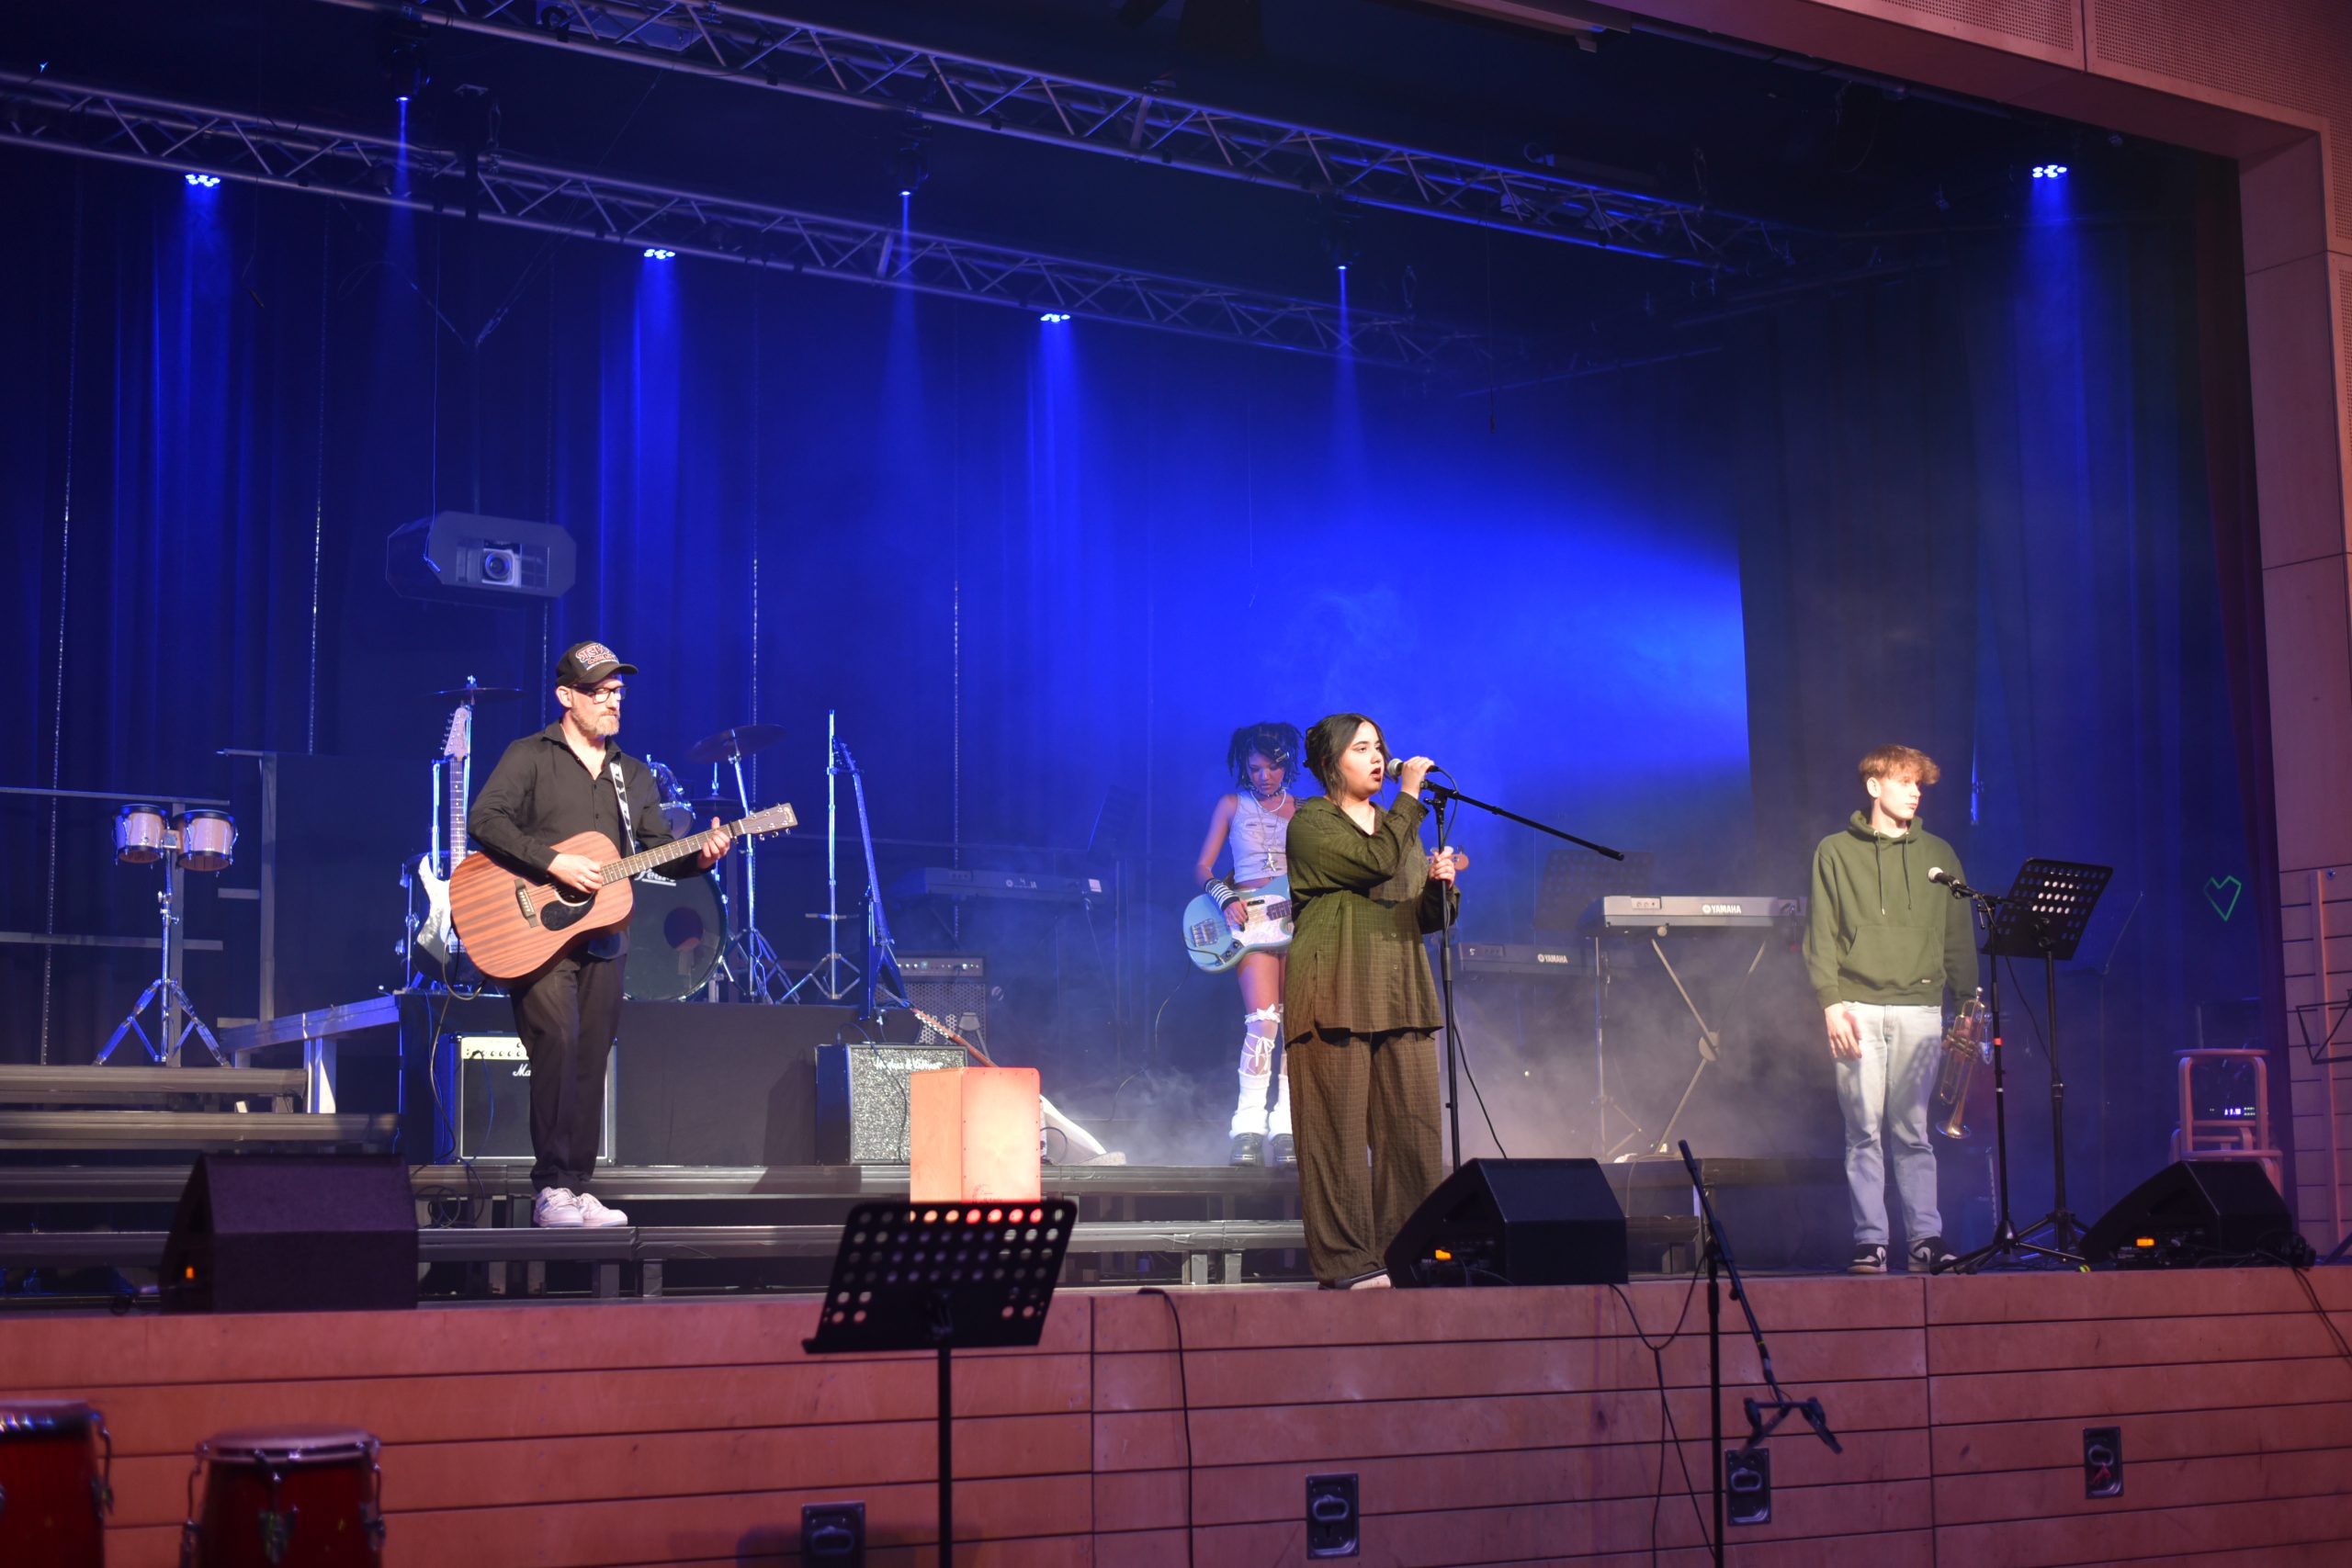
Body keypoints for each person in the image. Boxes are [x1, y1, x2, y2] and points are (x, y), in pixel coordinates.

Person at [469, 641, 730, 1228]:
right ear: (566, 696)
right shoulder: (529, 756)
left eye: (618, 692)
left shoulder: (631, 774)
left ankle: (575, 1187)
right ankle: (549, 1190)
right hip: (535, 930)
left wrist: (701, 857)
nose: (613, 702)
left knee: (591, 1054)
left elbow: (658, 852)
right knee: (557, 1041)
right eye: (599, 692)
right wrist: (553, 862)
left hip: (604, 932)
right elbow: (484, 820)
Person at [1282, 713, 1463, 1289]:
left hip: (1400, 992)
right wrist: (1410, 796)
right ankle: (1349, 1264)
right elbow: (1373, 863)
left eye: (1379, 746)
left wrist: (1439, 888)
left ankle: (1407, 1254)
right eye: (1362, 748)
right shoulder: (1311, 822)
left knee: (1412, 1137)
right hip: (1333, 990)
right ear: (1332, 762)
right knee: (1333, 1136)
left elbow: (1420, 914)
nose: (1379, 757)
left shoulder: (1396, 827)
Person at [1802, 743, 1974, 1275]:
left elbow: (1957, 936)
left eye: (1919, 783)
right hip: (1856, 1007)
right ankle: (1871, 1240)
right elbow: (1821, 933)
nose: (1915, 792)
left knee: (1913, 1132)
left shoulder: (1939, 854)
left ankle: (1925, 1239)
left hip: (1921, 1008)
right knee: (1863, 1131)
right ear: (1874, 786)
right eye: (1904, 781)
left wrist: (1968, 1005)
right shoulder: (1834, 851)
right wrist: (1830, 1003)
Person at [1193, 721, 1306, 1168]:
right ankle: (1247, 1125)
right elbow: (1202, 866)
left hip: (1295, 922)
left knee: (1297, 1028)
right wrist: (1224, 897)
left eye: (1272, 767)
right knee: (1263, 1022)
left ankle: (1288, 1126)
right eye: (1255, 768)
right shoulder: (1231, 805)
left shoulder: (1304, 810)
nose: (1263, 776)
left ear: (1286, 765)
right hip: (1251, 925)